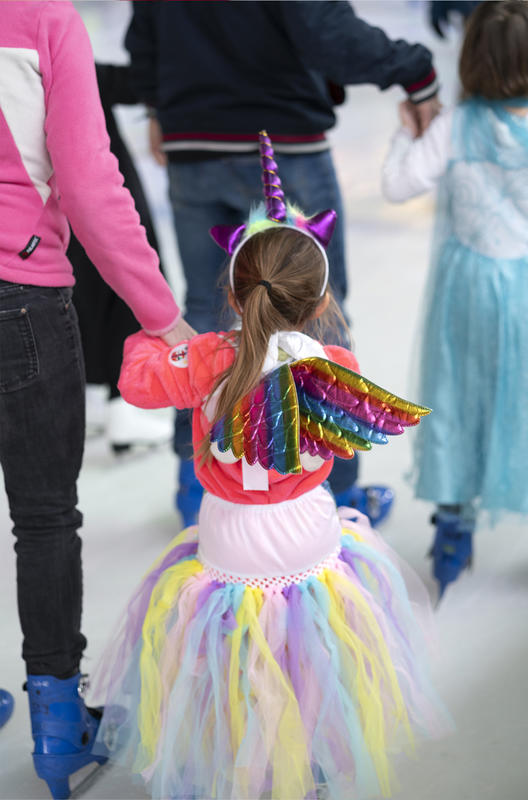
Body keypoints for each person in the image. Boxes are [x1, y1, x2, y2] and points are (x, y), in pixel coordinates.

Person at [89, 132, 449, 800]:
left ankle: (241, 758)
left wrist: (157, 330)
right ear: (318, 304)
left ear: (231, 295)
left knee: (231, 657)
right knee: (309, 652)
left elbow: (138, 382)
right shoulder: (333, 367)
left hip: (231, 541)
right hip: (306, 531)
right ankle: (304, 768)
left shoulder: (204, 360)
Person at [124, 0, 441, 527]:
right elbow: (327, 32)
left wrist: (160, 107)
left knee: (204, 308)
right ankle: (332, 495)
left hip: (191, 139)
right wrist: (417, 71)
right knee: (308, 311)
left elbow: (145, 39)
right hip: (284, 135)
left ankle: (197, 481)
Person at [0, 3, 193, 798]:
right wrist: (162, 314)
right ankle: (56, 731)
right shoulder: (42, 21)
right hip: (22, 295)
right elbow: (86, 179)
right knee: (44, 515)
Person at [382, 0, 528, 598]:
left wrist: (405, 129)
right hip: (527, 291)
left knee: (457, 398)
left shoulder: (454, 126)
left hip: (466, 291)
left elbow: (397, 184)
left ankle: (451, 529)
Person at [67, 63, 172, 453]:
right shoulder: (44, 27)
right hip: (93, 180)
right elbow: (129, 79)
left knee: (74, 281)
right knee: (127, 274)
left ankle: (97, 396)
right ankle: (122, 401)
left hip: (38, 192)